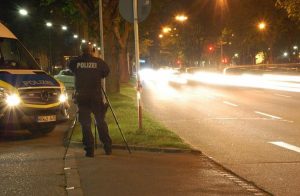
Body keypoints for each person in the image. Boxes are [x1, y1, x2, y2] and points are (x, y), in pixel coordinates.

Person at [69, 43, 112, 157]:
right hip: (96, 96)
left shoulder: (75, 62)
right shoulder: (99, 62)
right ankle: (107, 147)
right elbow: (106, 72)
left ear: (81, 50)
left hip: (82, 96)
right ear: (92, 50)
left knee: (85, 124)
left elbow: (72, 69)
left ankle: (89, 150)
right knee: (100, 121)